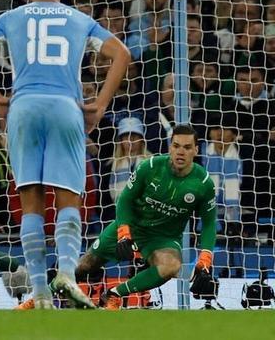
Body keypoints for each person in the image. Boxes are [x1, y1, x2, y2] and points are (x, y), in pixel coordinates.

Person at [0, 0, 131, 309]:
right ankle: (66, 273)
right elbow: (122, 54)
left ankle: (39, 292)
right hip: (65, 107)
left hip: (23, 107)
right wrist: (98, 105)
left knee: (31, 205)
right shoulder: (79, 19)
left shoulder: (13, 17)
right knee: (68, 199)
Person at [16, 125, 218, 310]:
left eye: (187, 147)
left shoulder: (203, 183)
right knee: (84, 266)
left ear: (196, 150)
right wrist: (124, 231)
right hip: (132, 226)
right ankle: (38, 298)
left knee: (171, 266)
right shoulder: (150, 167)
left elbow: (209, 223)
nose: (180, 151)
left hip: (162, 238)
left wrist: (206, 255)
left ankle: (114, 294)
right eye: (176, 146)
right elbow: (125, 201)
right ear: (170, 147)